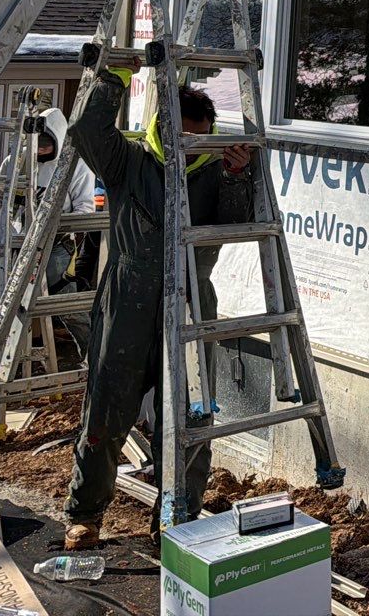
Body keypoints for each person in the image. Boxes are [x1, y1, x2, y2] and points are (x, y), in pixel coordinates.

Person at [61, 69, 251, 549]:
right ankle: (85, 516)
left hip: (190, 302)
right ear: (162, 128)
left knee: (190, 419)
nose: (190, 146)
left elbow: (236, 224)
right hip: (128, 300)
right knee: (106, 410)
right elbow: (85, 130)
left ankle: (177, 521)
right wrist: (115, 77)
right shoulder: (129, 161)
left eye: (199, 138)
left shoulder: (214, 170)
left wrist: (235, 176)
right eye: (182, 135)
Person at [0, 107, 100, 354]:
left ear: (59, 139)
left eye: (47, 144)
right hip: (15, 244)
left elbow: (85, 209)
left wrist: (57, 227)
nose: (40, 149)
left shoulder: (74, 165)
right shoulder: (16, 161)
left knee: (66, 307)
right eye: (38, 143)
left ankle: (95, 360)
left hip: (54, 247)